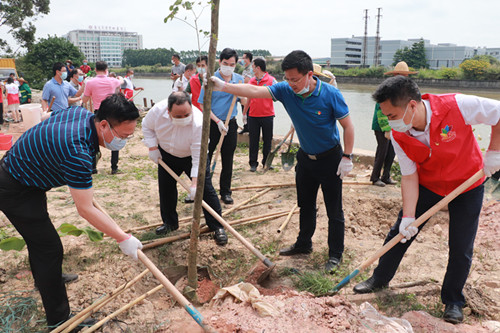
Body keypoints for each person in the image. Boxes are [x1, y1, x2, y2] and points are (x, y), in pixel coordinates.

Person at [352, 76, 500, 324]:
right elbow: (409, 176)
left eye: (391, 115)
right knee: (400, 233)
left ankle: (453, 300)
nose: (389, 122)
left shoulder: (457, 105)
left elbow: (498, 113)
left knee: (461, 246)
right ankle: (379, 278)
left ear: (411, 106)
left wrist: (494, 151)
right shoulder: (399, 135)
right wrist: (409, 216)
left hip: (467, 185)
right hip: (428, 186)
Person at [0, 93, 143, 330]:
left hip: (26, 174)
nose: (124, 141)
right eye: (123, 136)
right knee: (49, 247)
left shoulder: (81, 114)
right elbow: (85, 209)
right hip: (16, 188)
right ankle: (60, 320)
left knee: (41, 243)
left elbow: (48, 118)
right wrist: (123, 238)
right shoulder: (76, 151)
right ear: (104, 124)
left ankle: (47, 279)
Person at [210, 50, 355, 272]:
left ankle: (335, 254)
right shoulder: (286, 90)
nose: (290, 83)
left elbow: (348, 126)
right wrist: (224, 86)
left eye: (295, 79)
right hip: (305, 158)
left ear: (309, 75)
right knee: (305, 204)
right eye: (287, 78)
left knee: (334, 209)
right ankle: (303, 244)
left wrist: (347, 157)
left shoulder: (330, 94)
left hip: (330, 158)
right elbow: (255, 90)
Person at [142, 91, 229, 244]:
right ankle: (170, 223)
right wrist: (152, 148)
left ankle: (217, 226)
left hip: (191, 156)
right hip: (167, 155)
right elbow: (146, 127)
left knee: (205, 189)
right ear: (168, 111)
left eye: (186, 115)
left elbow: (198, 157)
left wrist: (195, 183)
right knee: (166, 188)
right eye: (178, 116)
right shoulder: (157, 111)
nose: (183, 119)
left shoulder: (199, 123)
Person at [199, 48, 245, 205]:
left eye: (232, 64)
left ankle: (225, 191)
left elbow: (244, 101)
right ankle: (203, 190)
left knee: (228, 158)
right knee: (207, 156)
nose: (229, 66)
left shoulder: (239, 79)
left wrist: (243, 96)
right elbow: (202, 104)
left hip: (230, 123)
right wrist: (217, 121)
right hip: (212, 123)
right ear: (220, 62)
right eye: (226, 63)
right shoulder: (211, 79)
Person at [371, 62, 416, 187]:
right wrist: (386, 129)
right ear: (395, 75)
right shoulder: (387, 89)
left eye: (406, 76)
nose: (404, 78)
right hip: (382, 125)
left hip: (395, 125)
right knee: (382, 150)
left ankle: (386, 176)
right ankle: (375, 177)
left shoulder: (402, 90)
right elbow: (381, 111)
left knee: (392, 151)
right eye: (402, 75)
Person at [82, 61, 123, 174]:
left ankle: (93, 167)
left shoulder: (91, 83)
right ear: (106, 70)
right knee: (114, 136)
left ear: (95, 70)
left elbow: (85, 99)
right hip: (111, 112)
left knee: (94, 139)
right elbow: (121, 81)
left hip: (98, 112)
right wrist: (119, 78)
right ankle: (114, 167)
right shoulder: (113, 81)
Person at [242, 58, 277, 172]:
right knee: (253, 140)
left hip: (267, 115)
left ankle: (266, 163)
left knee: (267, 140)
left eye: (253, 67)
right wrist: (244, 113)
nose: (252, 69)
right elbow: (249, 98)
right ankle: (253, 164)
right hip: (253, 116)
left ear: (258, 68)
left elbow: (279, 95)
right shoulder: (251, 81)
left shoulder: (271, 80)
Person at [238, 52, 254, 134]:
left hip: (249, 93)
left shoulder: (250, 69)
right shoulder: (245, 68)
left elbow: (247, 80)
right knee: (244, 111)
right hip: (244, 93)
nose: (242, 60)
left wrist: (239, 82)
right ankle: (246, 127)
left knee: (248, 111)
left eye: (243, 58)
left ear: (248, 59)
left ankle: (250, 128)